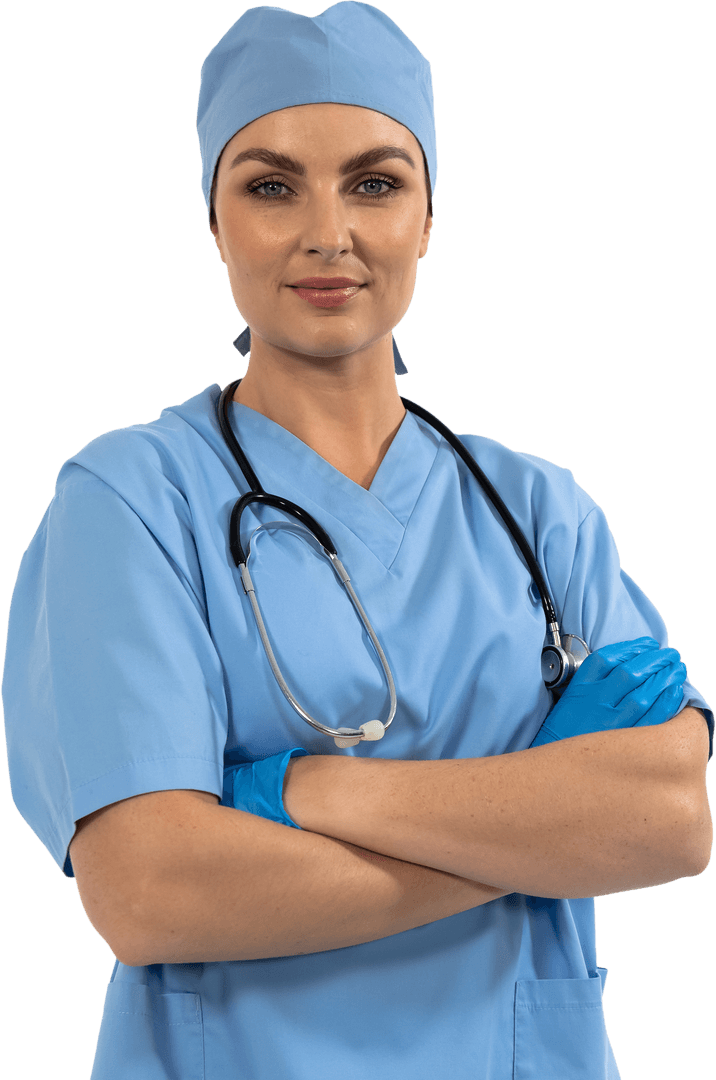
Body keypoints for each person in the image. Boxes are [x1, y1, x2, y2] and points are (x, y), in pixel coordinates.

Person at [2, 4, 713, 1078]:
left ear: (427, 217)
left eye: (374, 183)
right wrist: (540, 837)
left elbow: (667, 822)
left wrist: (303, 792)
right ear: (213, 219)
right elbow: (151, 892)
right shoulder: (130, 498)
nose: (325, 232)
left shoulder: (536, 508)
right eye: (270, 185)